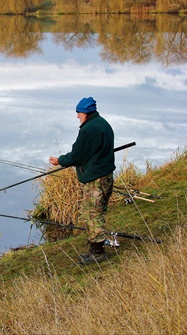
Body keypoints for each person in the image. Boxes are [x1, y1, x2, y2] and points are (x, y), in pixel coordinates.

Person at [49, 97, 115, 264]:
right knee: (91, 213)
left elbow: (77, 155)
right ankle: (94, 249)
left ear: (85, 113)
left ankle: (98, 253)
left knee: (93, 215)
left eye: (78, 113)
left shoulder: (88, 130)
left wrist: (60, 161)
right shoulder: (103, 124)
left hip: (96, 180)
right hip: (105, 176)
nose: (77, 116)